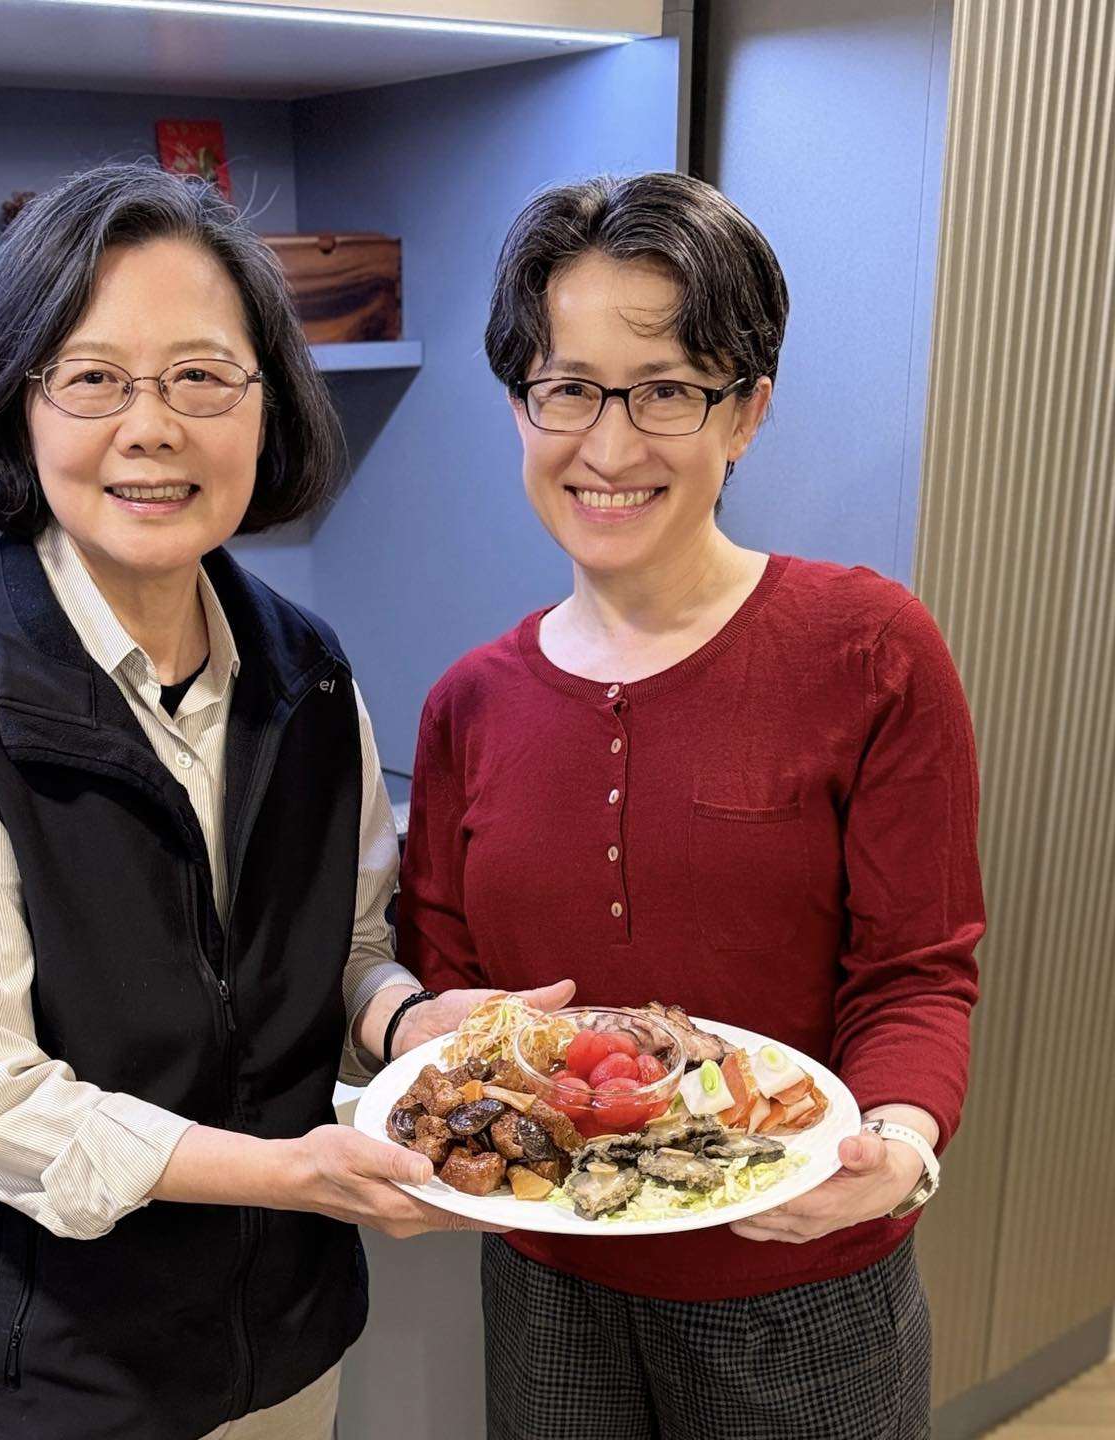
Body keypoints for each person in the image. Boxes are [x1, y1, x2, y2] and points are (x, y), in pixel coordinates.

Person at [0, 161, 563, 1440]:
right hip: (56, 1384)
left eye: (202, 377)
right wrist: (288, 1174)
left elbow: (346, 951)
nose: (152, 426)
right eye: (94, 377)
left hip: (283, 1345)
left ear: (265, 409)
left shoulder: (309, 672)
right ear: (19, 409)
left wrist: (417, 1026)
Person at [397, 172, 984, 1440]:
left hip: (803, 1282)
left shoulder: (868, 648)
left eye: (666, 389)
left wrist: (893, 1147)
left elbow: (919, 971)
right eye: (568, 389)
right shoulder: (469, 704)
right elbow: (443, 979)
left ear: (747, 411)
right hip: (549, 1278)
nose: (609, 447)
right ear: (520, 405)